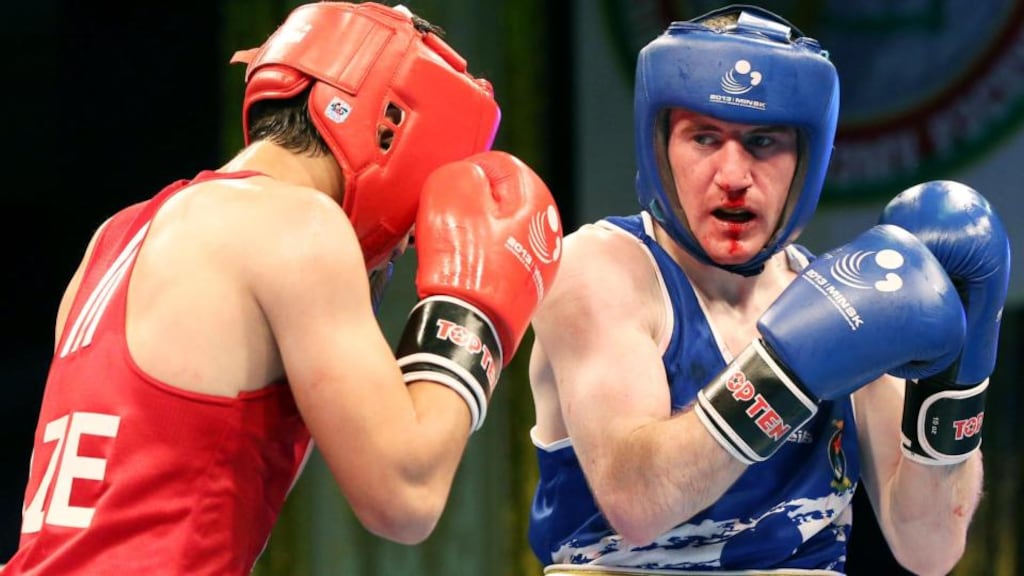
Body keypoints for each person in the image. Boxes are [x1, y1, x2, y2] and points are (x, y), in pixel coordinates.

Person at [1, 2, 563, 575]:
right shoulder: (297, 225)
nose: (408, 240)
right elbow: (406, 494)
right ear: (391, 129)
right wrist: (473, 312)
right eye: (421, 215)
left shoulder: (116, 236)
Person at [526, 5, 1009, 575]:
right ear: (660, 148)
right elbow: (639, 502)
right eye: (704, 137)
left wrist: (957, 381)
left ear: (807, 159)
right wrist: (792, 369)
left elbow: (930, 549)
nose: (732, 174)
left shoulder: (848, 295)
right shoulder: (601, 270)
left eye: (762, 141)